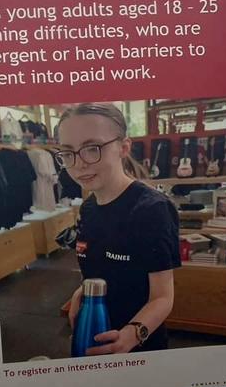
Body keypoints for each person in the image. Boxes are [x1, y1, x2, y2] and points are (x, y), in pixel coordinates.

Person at [56, 102, 178, 354]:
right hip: (91, 331)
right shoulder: (89, 207)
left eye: (92, 149)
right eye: (68, 152)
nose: (79, 164)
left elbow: (162, 297)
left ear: (123, 147)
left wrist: (132, 335)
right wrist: (82, 291)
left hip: (139, 348)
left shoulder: (152, 210)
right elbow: (99, 267)